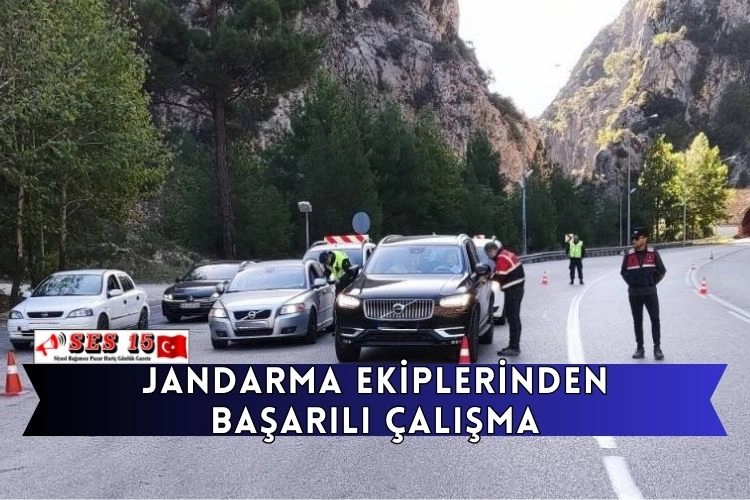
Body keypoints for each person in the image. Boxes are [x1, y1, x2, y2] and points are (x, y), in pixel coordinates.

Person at [620, 227, 666, 360]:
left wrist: (651, 283)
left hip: (650, 293)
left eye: (637, 238)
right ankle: (640, 348)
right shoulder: (628, 254)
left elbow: (662, 271)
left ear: (645, 239)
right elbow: (623, 272)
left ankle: (657, 348)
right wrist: (632, 283)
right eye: (633, 238)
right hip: (634, 293)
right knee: (637, 321)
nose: (634, 240)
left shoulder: (653, 253)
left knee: (655, 320)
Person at [484, 241, 525, 357]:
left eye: (488, 255)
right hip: (516, 289)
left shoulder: (501, 258)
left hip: (513, 290)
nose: (489, 257)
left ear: (492, 250)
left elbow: (500, 275)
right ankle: (513, 345)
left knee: (513, 318)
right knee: (514, 318)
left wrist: (488, 277)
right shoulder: (505, 254)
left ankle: (514, 347)